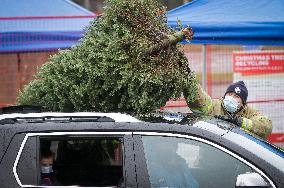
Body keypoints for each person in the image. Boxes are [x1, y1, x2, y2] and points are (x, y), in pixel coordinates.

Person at [186, 81, 272, 140]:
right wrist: (190, 82)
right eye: (230, 94)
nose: (231, 98)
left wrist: (240, 122)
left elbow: (266, 127)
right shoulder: (214, 105)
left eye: (236, 96)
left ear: (243, 104)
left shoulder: (249, 112)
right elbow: (200, 101)